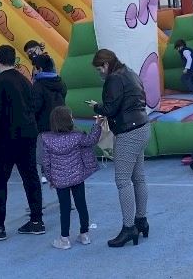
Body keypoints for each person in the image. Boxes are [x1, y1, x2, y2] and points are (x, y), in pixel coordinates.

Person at [0, 45, 44, 241]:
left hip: (5, 140)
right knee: (31, 178)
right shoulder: (24, 80)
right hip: (28, 136)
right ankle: (36, 221)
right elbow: (34, 107)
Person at [86, 49, 150, 247]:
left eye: (99, 69)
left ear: (106, 65)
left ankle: (129, 227)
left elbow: (110, 108)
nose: (100, 73)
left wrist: (96, 107)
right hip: (143, 126)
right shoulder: (130, 73)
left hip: (128, 132)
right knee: (138, 178)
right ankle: (141, 220)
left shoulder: (114, 79)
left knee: (123, 181)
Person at [41, 106, 102, 249]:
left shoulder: (46, 139)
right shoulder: (77, 136)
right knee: (81, 205)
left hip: (59, 180)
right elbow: (91, 140)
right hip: (77, 177)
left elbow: (46, 162)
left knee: (64, 208)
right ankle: (84, 234)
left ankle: (64, 239)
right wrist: (97, 124)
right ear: (69, 120)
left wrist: (50, 179)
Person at [32, 54, 67, 184]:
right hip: (61, 122)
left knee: (44, 151)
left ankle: (46, 174)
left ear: (40, 69)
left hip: (44, 124)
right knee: (60, 150)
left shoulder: (38, 85)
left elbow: (36, 106)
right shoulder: (60, 82)